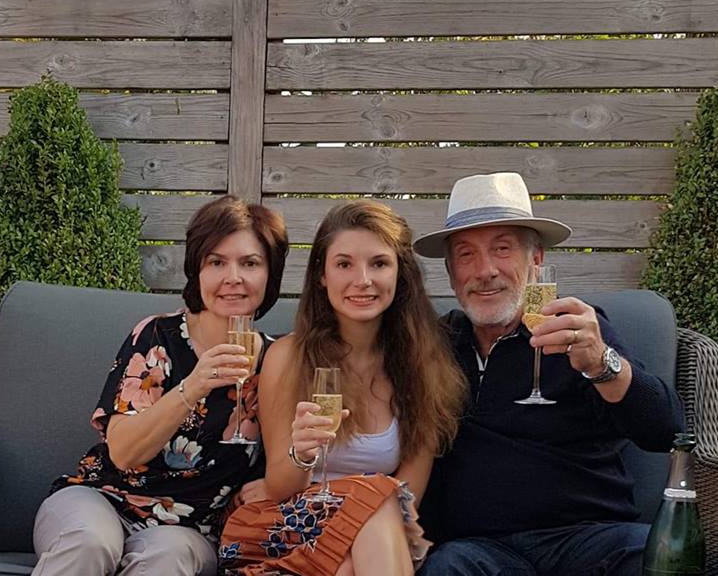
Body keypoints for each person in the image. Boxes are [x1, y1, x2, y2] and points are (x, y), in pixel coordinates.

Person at [413, 173, 686, 576]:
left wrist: (603, 364)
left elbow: (667, 431)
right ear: (452, 275)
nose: (485, 270)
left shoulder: (579, 330)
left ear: (536, 260)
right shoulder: (435, 345)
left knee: (650, 557)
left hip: (587, 540)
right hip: (479, 551)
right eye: (466, 255)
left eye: (502, 249)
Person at [31, 195, 289, 576]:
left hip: (189, 530)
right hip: (101, 500)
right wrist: (194, 386)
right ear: (197, 271)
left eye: (250, 263)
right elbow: (122, 452)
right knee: (90, 542)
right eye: (216, 262)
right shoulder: (157, 337)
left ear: (270, 274)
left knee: (168, 558)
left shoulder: (277, 361)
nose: (233, 277)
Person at [219, 200, 467, 576]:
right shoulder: (289, 357)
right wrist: (302, 453)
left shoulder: (423, 363)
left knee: (376, 518)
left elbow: (408, 495)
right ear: (322, 274)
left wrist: (353, 542)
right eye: (344, 264)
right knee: (379, 501)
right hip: (286, 526)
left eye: (379, 264)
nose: (362, 280)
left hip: (376, 532)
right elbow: (280, 486)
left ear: (400, 273)